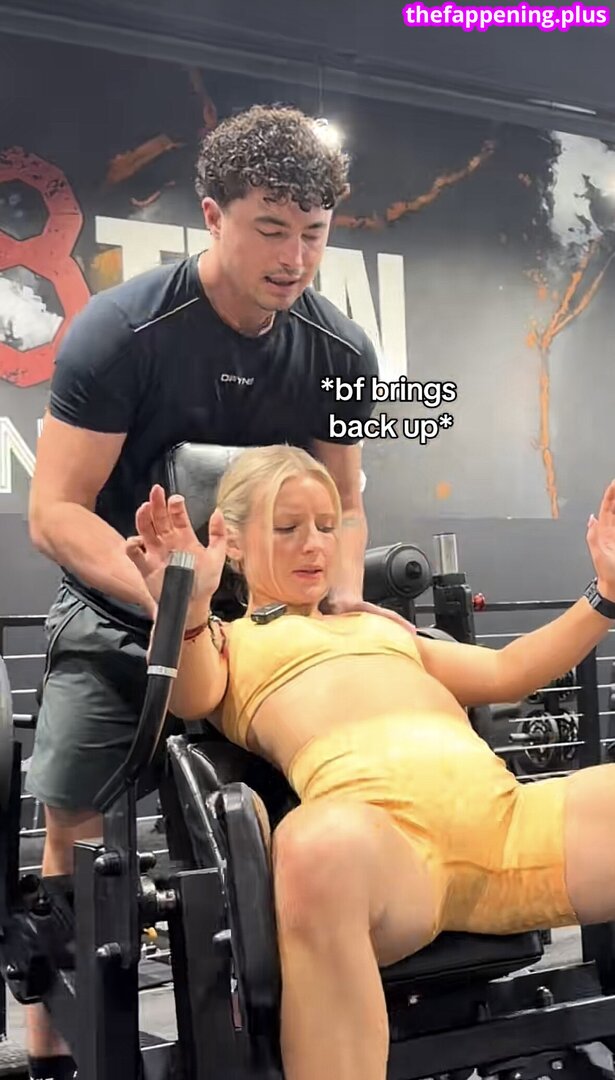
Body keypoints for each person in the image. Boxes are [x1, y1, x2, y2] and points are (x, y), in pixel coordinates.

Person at [25, 104, 386, 1079]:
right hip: (123, 612)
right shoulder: (121, 333)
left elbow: (347, 504)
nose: (294, 257)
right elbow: (55, 513)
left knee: (307, 815)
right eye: (270, 228)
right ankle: (53, 1056)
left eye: (313, 233)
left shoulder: (340, 351)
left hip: (262, 628)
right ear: (213, 215)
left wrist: (337, 599)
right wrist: (172, 598)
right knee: (77, 821)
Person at [128, 443, 615, 1080]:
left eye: (326, 526)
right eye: (287, 527)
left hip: (510, 826)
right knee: (317, 844)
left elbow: (507, 670)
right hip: (394, 858)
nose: (313, 545)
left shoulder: (382, 628)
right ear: (232, 539)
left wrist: (605, 593)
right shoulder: (228, 641)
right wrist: (187, 608)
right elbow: (190, 695)